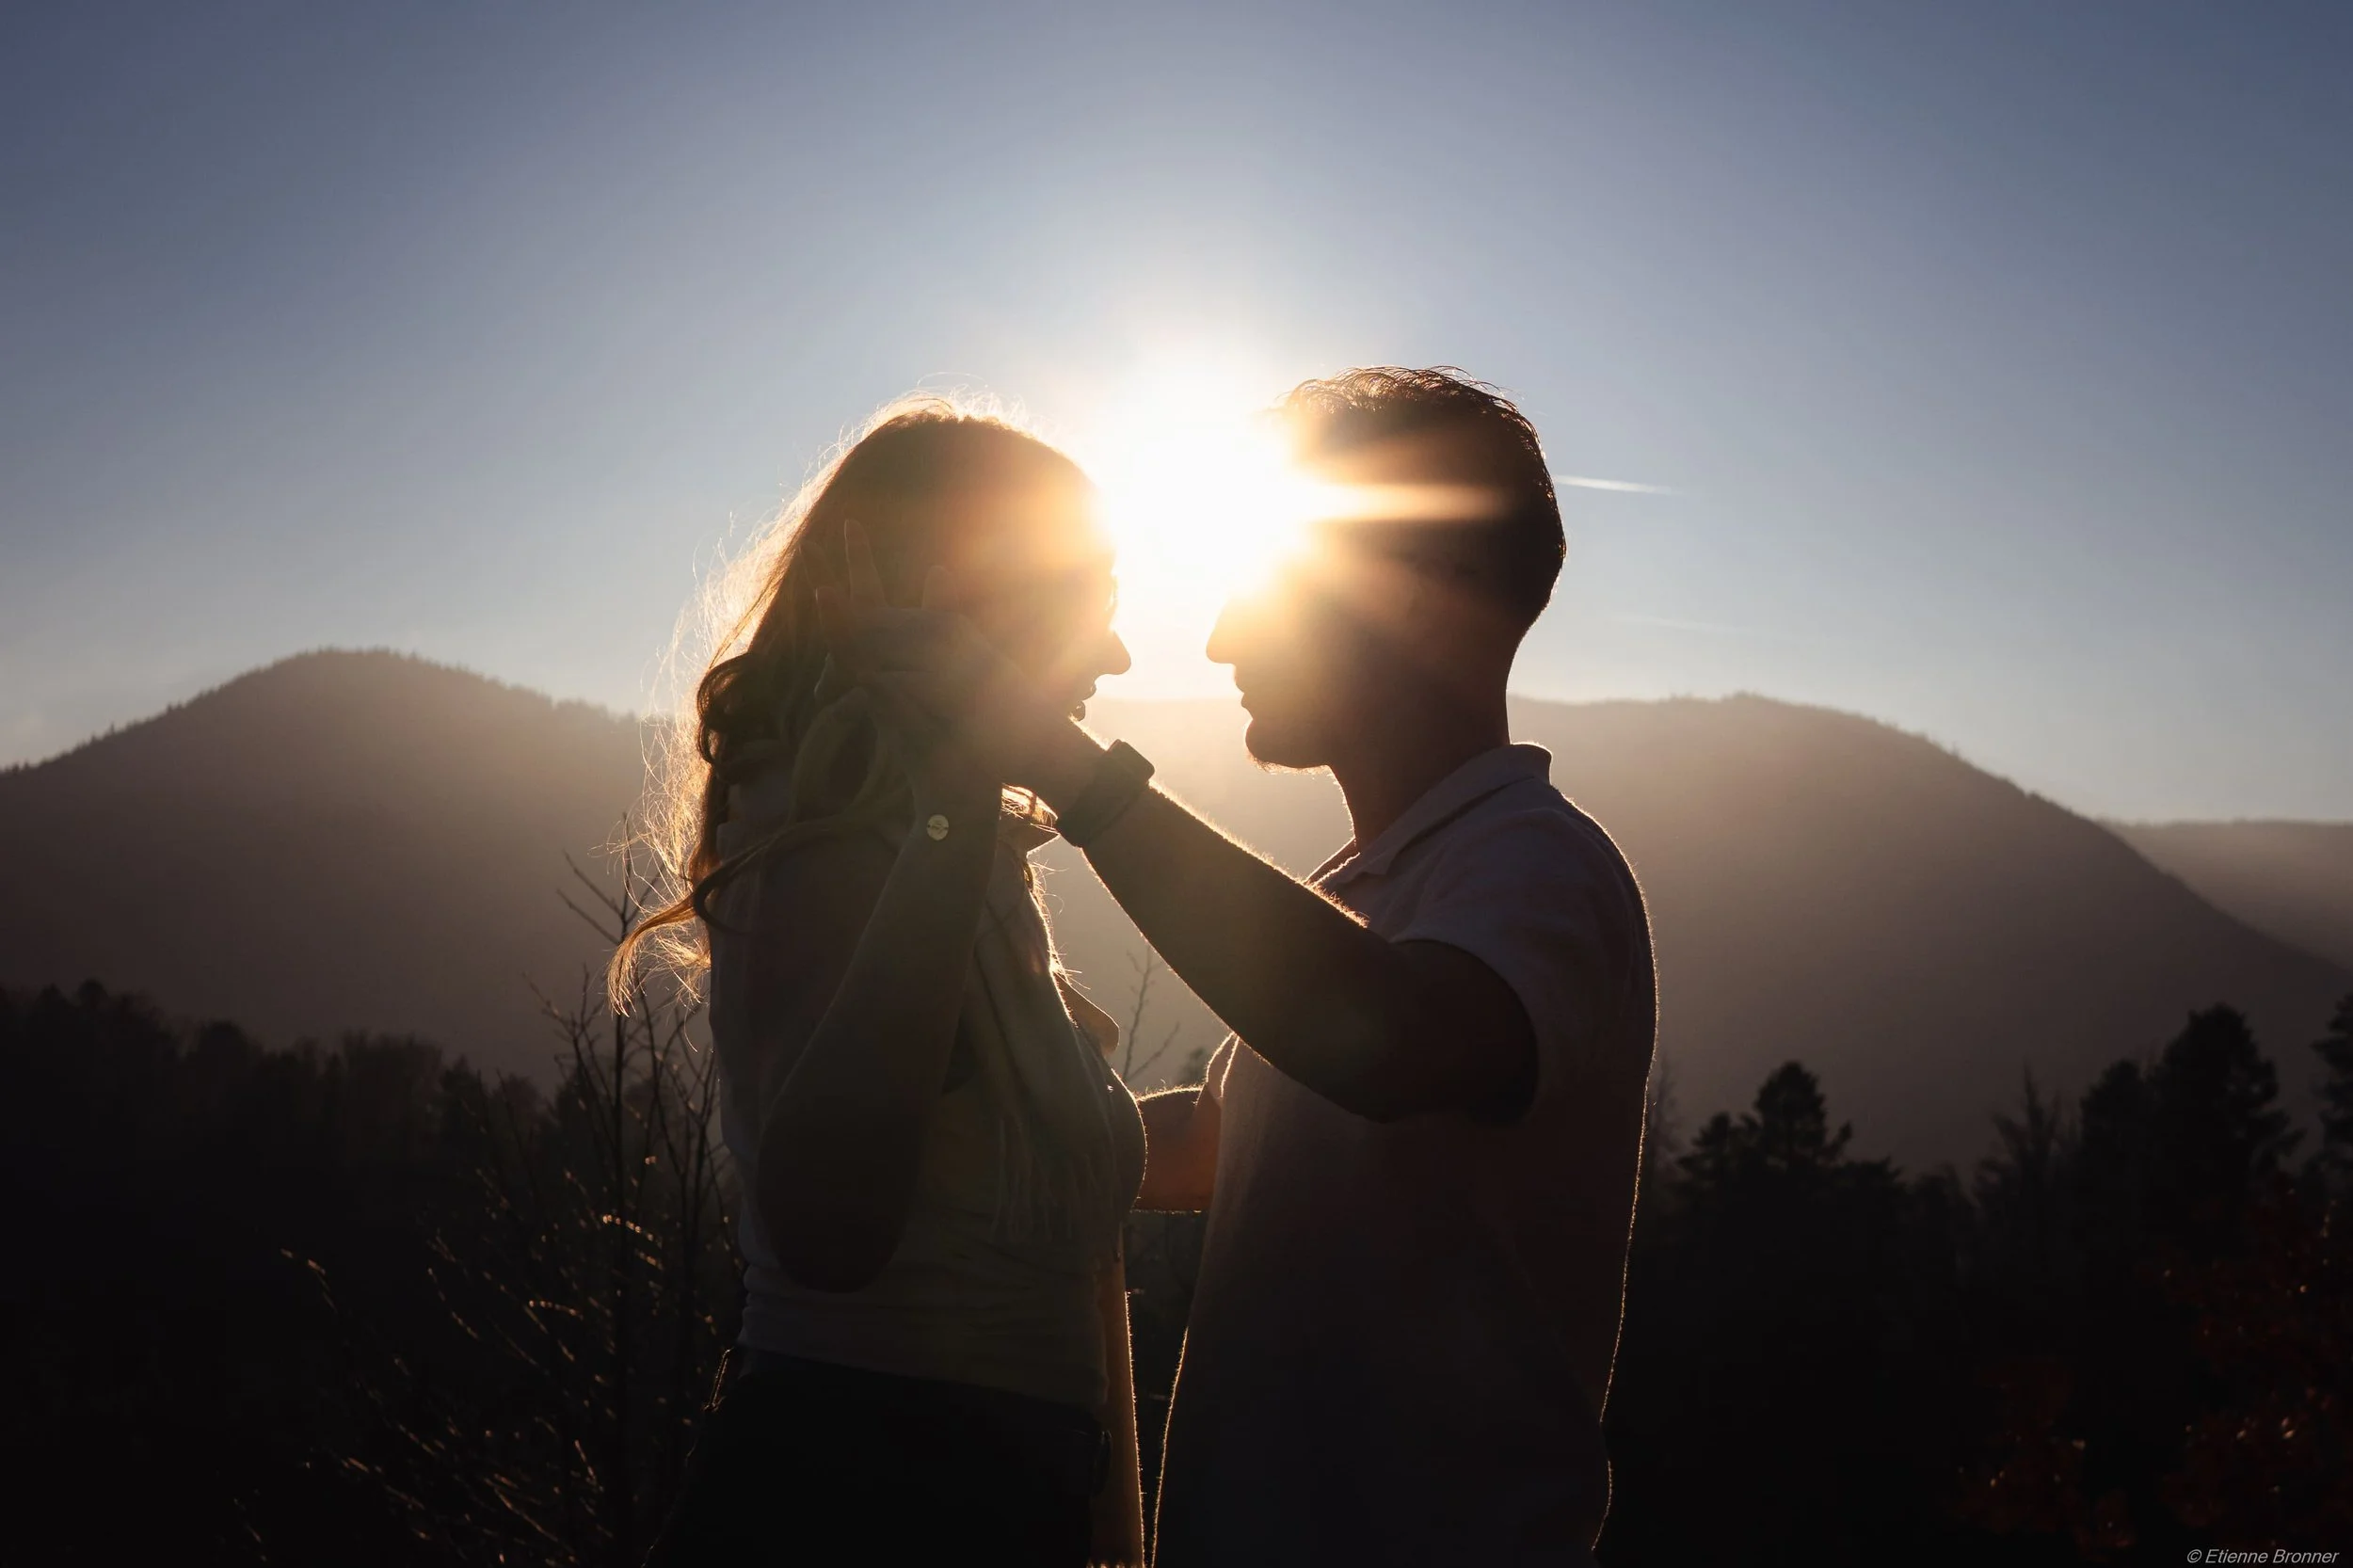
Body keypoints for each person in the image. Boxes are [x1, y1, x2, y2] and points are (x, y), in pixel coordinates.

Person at [824, 367, 1657, 1564]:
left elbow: (1386, 1040)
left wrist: (1058, 760)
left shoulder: (1539, 865)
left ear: (1420, 595)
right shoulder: (1372, 893)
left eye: (1266, 588)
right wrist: (960, 1115)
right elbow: (1216, 1142)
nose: (1217, 640)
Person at [620, 399, 1151, 1565]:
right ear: (961, 598)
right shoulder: (844, 834)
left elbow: (956, 1146)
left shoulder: (920, 834)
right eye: (1088, 596)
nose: (1115, 652)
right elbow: (828, 1223)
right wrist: (956, 785)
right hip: (881, 1496)